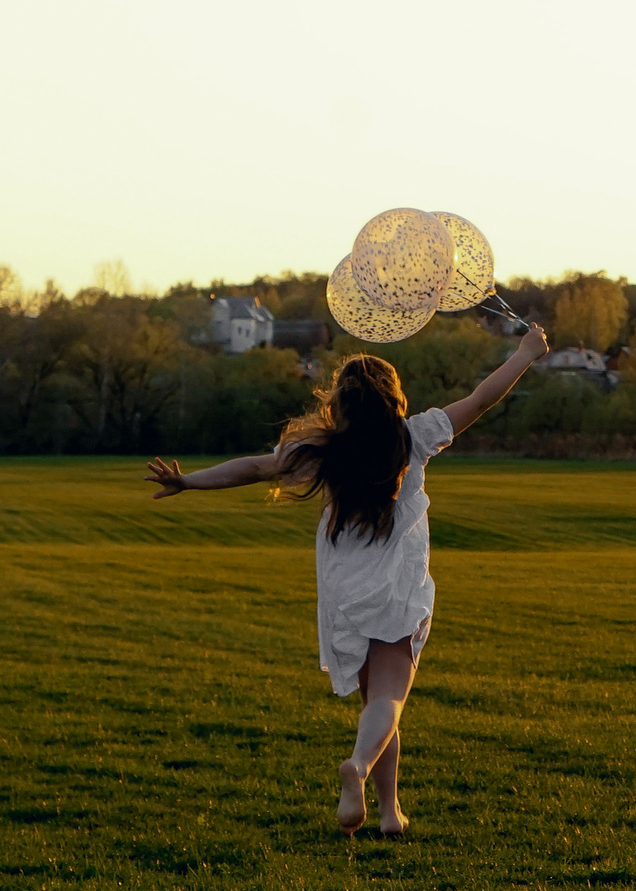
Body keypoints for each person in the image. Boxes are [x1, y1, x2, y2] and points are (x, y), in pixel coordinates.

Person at [144, 323, 549, 836]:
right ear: (394, 398)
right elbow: (483, 398)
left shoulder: (323, 449)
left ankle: (388, 813)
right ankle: (356, 768)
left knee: (373, 703)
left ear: (341, 405)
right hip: (397, 589)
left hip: (345, 588)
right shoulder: (416, 436)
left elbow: (254, 467)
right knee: (389, 699)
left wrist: (188, 481)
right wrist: (526, 354)